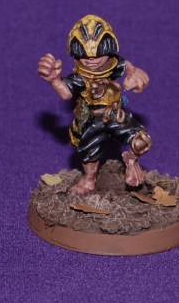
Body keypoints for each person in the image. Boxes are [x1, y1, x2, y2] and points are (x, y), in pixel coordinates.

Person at [38, 15, 151, 196]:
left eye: (98, 53)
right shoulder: (80, 77)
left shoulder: (113, 64)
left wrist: (134, 72)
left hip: (116, 113)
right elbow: (66, 93)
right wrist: (54, 80)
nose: (92, 59)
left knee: (142, 141)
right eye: (85, 54)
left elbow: (125, 65)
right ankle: (89, 180)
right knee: (89, 154)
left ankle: (131, 160)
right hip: (93, 119)